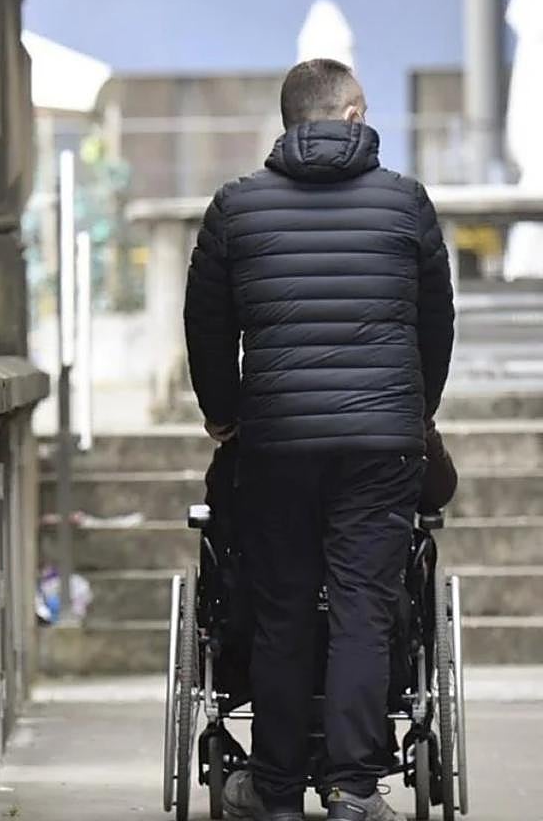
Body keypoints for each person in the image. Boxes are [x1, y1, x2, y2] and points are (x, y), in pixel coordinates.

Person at [183, 59, 455, 821]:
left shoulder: (235, 208)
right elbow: (437, 322)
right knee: (367, 606)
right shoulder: (407, 203)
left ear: (289, 119)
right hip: (382, 448)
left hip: (275, 445)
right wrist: (415, 409)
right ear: (356, 113)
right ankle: (353, 791)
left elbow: (206, 324)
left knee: (282, 608)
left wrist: (223, 413)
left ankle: (273, 791)